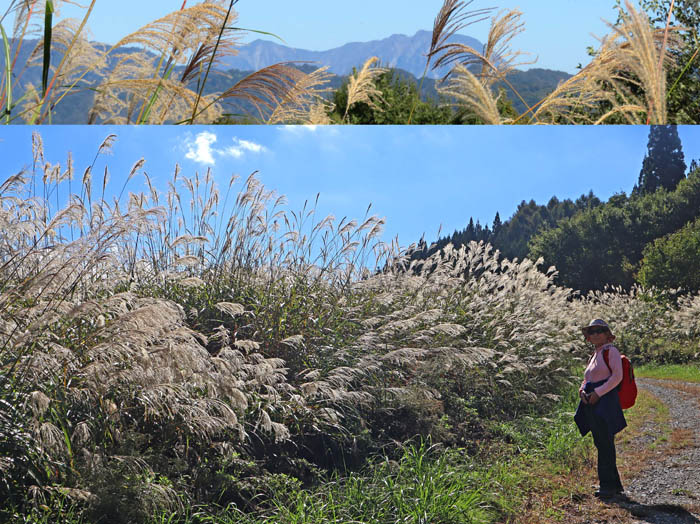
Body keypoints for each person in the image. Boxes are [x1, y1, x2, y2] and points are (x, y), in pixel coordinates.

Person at [574, 319, 626, 499]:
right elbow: (587, 379)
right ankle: (614, 484)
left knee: (604, 443)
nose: (595, 334)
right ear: (588, 337)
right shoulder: (595, 354)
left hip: (604, 403)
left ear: (606, 334)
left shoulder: (610, 351)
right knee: (602, 443)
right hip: (592, 402)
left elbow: (617, 377)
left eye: (599, 331)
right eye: (591, 331)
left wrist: (598, 393)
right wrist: (582, 391)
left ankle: (607, 486)